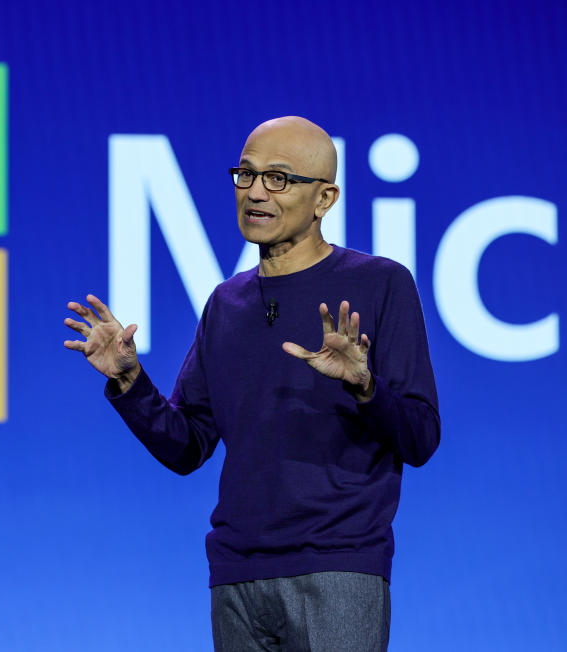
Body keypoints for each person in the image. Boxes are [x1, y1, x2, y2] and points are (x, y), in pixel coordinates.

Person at [63, 116, 440, 651]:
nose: (256, 192)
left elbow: (421, 437)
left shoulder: (380, 284)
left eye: (279, 179)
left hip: (338, 566)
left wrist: (364, 386)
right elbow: (188, 445)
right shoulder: (226, 303)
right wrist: (130, 381)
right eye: (246, 174)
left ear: (324, 198)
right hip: (237, 575)